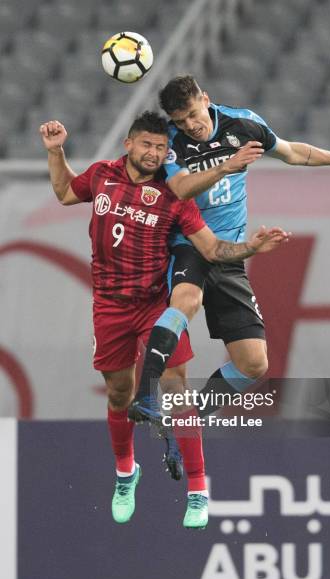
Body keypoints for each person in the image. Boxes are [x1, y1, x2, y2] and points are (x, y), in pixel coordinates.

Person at [40, 111, 289, 529]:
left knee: (175, 392)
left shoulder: (175, 196)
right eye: (147, 145)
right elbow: (65, 192)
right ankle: (126, 474)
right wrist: (56, 152)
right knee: (119, 395)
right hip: (109, 306)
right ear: (129, 145)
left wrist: (249, 248)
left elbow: (211, 250)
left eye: (161, 147)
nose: (154, 153)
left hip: (155, 304)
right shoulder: (102, 175)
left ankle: (197, 491)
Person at [130, 74, 330, 428]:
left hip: (230, 254)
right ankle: (145, 396)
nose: (191, 126)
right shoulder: (171, 142)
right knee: (186, 302)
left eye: (194, 114)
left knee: (254, 365)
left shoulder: (244, 124)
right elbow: (180, 188)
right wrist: (225, 165)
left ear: (206, 100)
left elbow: (292, 152)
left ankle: (193, 417)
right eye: (181, 121)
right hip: (189, 245)